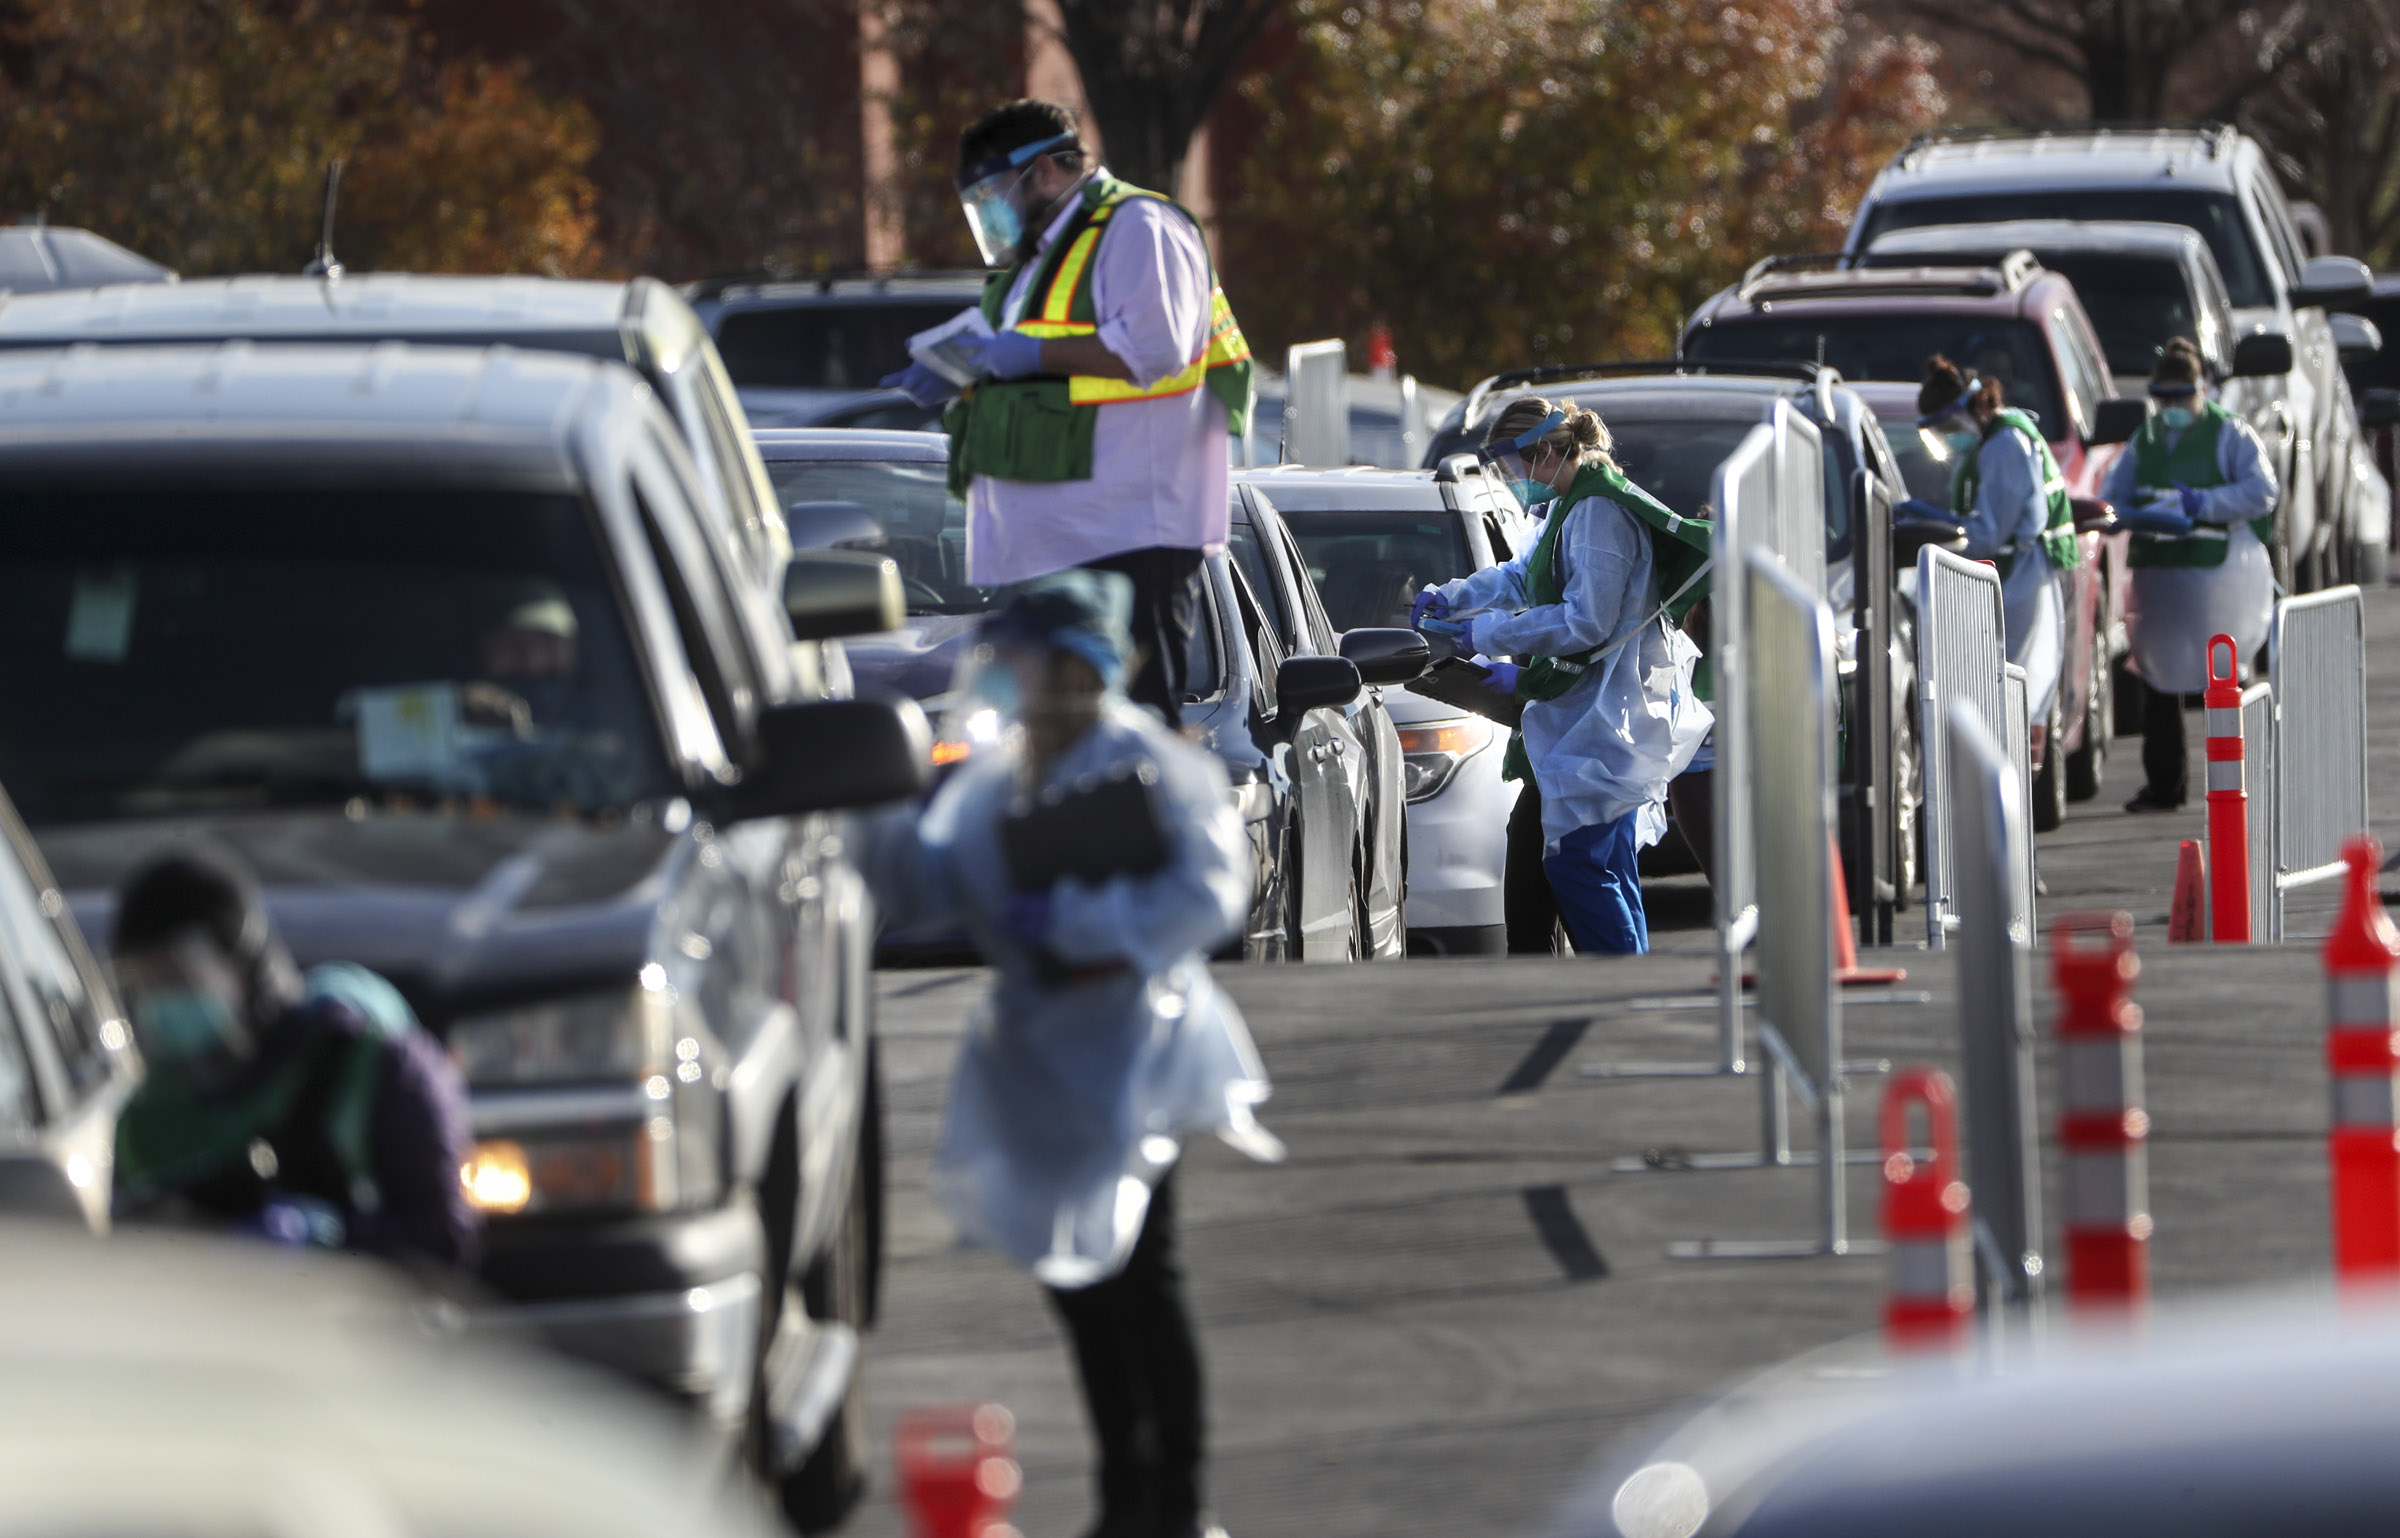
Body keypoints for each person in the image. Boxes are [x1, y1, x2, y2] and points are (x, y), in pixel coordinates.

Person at [860, 571, 1279, 1538]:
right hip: (1041, 1061)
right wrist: (873, 805)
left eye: (1026, 655)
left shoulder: (1150, 762)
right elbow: (927, 887)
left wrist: (1081, 921)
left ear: (1078, 664)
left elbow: (1210, 894)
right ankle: (1121, 1498)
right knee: (1078, 1283)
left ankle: (1171, 1505)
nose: (1007, 673)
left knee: (1142, 1275)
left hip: (1136, 1045)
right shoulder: (998, 773)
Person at [879, 99, 1255, 727]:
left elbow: (1158, 348)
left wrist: (1021, 352)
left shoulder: (1140, 228)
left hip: (1133, 534)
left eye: (992, 193)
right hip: (1066, 541)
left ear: (1046, 171)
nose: (989, 214)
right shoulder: (1046, 257)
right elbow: (1026, 350)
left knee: (1128, 728)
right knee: (1059, 738)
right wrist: (957, 366)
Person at [1414, 399, 1711, 956]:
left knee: (1580, 865)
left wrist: (1485, 636)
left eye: (1512, 466)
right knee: (1599, 864)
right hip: (1591, 717)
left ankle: (1621, 995)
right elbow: (1526, 577)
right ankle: (1626, 994)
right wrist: (1453, 600)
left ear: (1546, 451)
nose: (1512, 480)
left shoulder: (1599, 511)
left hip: (1601, 719)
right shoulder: (1571, 503)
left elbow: (1586, 621)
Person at [108, 845, 478, 1271]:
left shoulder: (375, 1066)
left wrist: (330, 1237)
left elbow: (446, 1241)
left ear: (244, 968)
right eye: (143, 986)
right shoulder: (145, 1107)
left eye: (176, 978)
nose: (160, 1005)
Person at [2100, 337, 2278, 812]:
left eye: (2182, 397)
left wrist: (2205, 504)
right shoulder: (2148, 438)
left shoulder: (2231, 435)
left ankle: (2242, 782)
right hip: (2161, 580)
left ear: (2203, 389)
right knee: (2158, 682)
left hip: (2216, 581)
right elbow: (2112, 493)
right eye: (2165, 398)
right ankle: (2164, 786)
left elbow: (2261, 492)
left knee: (2222, 684)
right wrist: (2127, 513)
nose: (2173, 407)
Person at [1915, 357, 2078, 764]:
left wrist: (1934, 530)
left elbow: (1988, 534)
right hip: (2013, 581)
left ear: (1976, 408)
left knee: (2009, 693)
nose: (1949, 438)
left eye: (1950, 427)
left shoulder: (2005, 445)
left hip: (2022, 581)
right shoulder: (1995, 442)